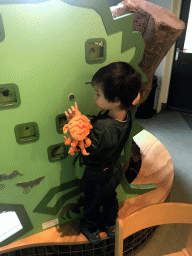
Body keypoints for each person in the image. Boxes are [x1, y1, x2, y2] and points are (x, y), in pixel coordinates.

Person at [65, 62, 141, 244]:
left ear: (115, 100)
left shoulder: (104, 128)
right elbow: (136, 97)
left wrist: (76, 124)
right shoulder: (127, 111)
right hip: (115, 170)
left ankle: (90, 228)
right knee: (110, 198)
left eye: (98, 94)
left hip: (97, 174)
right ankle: (110, 225)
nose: (94, 97)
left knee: (92, 202)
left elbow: (88, 148)